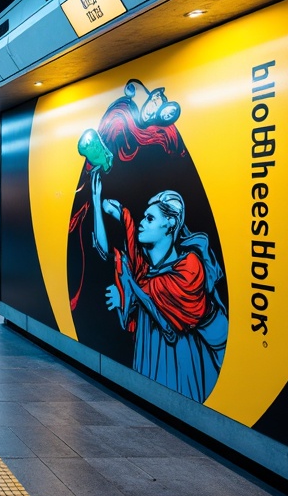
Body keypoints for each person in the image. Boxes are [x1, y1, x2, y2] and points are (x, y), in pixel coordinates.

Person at [90, 171, 227, 402]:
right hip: (148, 360)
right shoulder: (144, 270)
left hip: (182, 369)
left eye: (150, 219)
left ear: (170, 223)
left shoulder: (189, 269)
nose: (142, 223)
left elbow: (151, 290)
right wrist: (96, 200)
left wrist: (128, 293)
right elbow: (106, 252)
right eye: (142, 218)